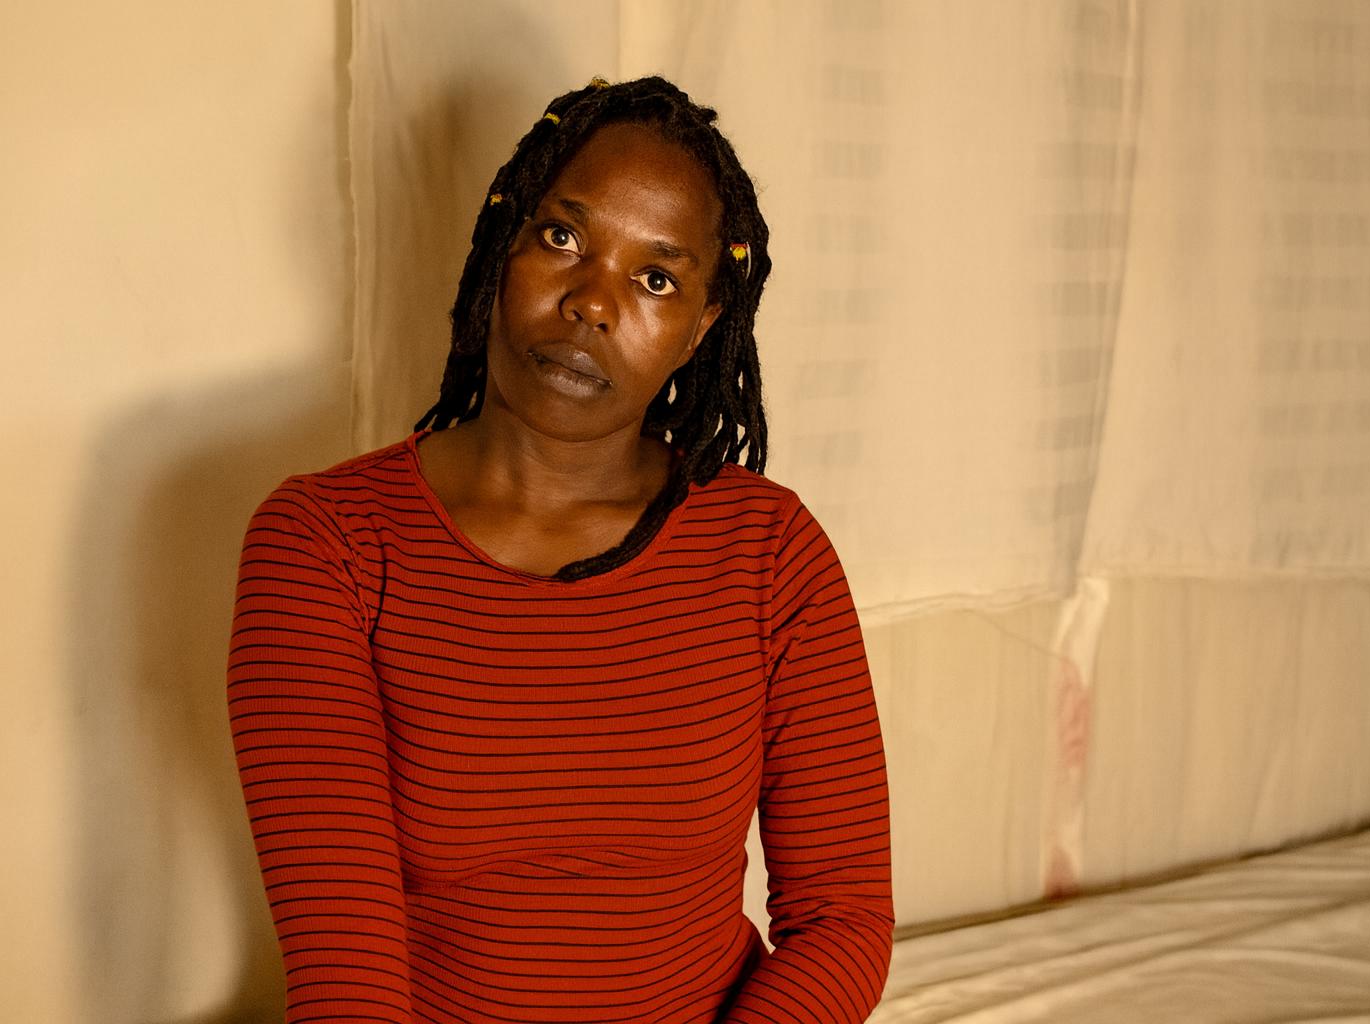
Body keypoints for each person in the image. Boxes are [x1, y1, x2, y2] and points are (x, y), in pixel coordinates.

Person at [226, 75, 892, 1024]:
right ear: (505, 245)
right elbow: (347, 977)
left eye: (656, 279)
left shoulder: (769, 553)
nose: (592, 303)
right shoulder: (325, 546)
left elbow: (845, 919)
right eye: (563, 239)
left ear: (700, 328)